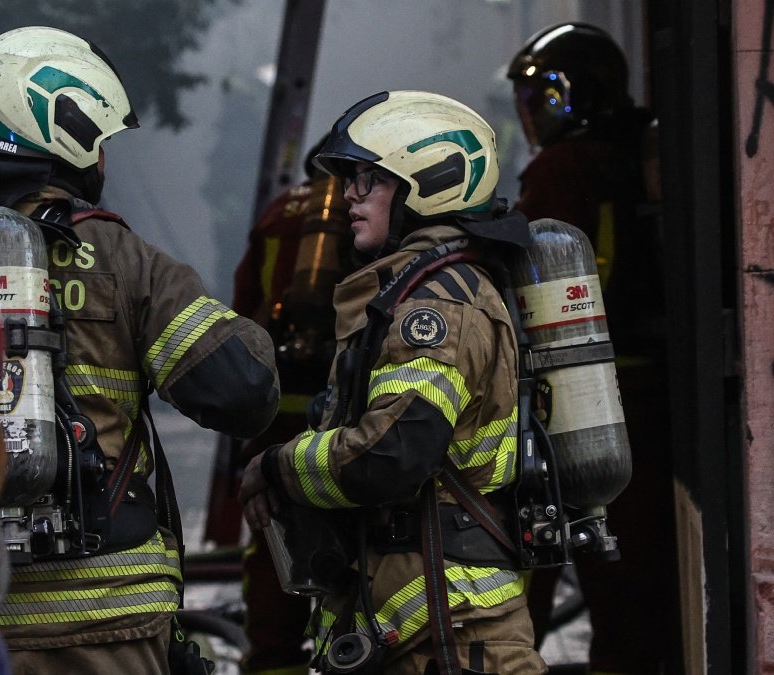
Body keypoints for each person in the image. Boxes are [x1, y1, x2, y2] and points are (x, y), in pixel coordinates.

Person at [0, 26, 280, 674]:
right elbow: (242, 390)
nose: (103, 163)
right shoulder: (118, 258)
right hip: (107, 625)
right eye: (100, 143)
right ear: (65, 130)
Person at [239, 90, 548, 674]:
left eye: (368, 180)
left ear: (428, 184)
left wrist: (277, 465)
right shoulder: (408, 293)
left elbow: (392, 454)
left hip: (449, 637)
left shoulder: (433, 309)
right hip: (420, 630)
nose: (348, 195)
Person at [508, 22, 678, 673]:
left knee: (575, 565)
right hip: (655, 382)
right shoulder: (641, 145)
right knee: (642, 575)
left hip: (583, 396)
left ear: (563, 94)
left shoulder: (563, 167)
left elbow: (528, 274)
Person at [227, 138, 353, 674]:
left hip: (277, 414)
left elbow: (243, 308)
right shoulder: (369, 210)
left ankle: (273, 661)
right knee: (352, 557)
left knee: (272, 555)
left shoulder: (279, 213)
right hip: (348, 416)